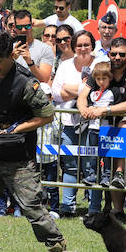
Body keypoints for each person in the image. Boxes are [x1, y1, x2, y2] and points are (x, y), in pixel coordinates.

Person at [0, 29, 81, 252]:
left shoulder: (25, 81)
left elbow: (47, 115)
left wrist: (17, 128)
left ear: (10, 56)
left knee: (33, 208)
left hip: (19, 160)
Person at [77, 37, 126, 214]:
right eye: (114, 53)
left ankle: (119, 175)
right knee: (100, 159)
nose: (118, 57)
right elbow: (83, 95)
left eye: (122, 54)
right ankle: (114, 208)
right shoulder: (102, 68)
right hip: (103, 122)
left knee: (121, 130)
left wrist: (103, 110)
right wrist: (84, 109)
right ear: (109, 53)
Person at [51, 30, 96, 216]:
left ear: (92, 46)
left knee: (90, 166)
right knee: (69, 164)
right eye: (79, 45)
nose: (83, 48)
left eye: (86, 45)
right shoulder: (65, 65)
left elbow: (98, 92)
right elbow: (55, 93)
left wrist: (71, 89)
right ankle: (68, 207)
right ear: (73, 46)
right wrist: (84, 90)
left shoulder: (100, 64)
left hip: (92, 123)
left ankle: (93, 209)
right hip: (68, 122)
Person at [81, 62, 116, 186]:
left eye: (104, 79)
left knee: (106, 155)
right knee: (93, 154)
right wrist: (89, 109)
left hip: (107, 128)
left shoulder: (113, 92)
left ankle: (107, 176)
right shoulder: (92, 92)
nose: (101, 82)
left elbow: (117, 107)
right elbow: (89, 103)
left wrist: (105, 111)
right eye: (98, 79)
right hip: (93, 127)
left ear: (110, 78)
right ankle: (93, 175)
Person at [9, 9, 54, 83]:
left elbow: (44, 79)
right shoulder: (8, 47)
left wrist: (30, 62)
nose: (23, 30)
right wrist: (11, 59)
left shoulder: (45, 49)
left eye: (27, 26)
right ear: (14, 27)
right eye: (20, 27)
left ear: (32, 25)